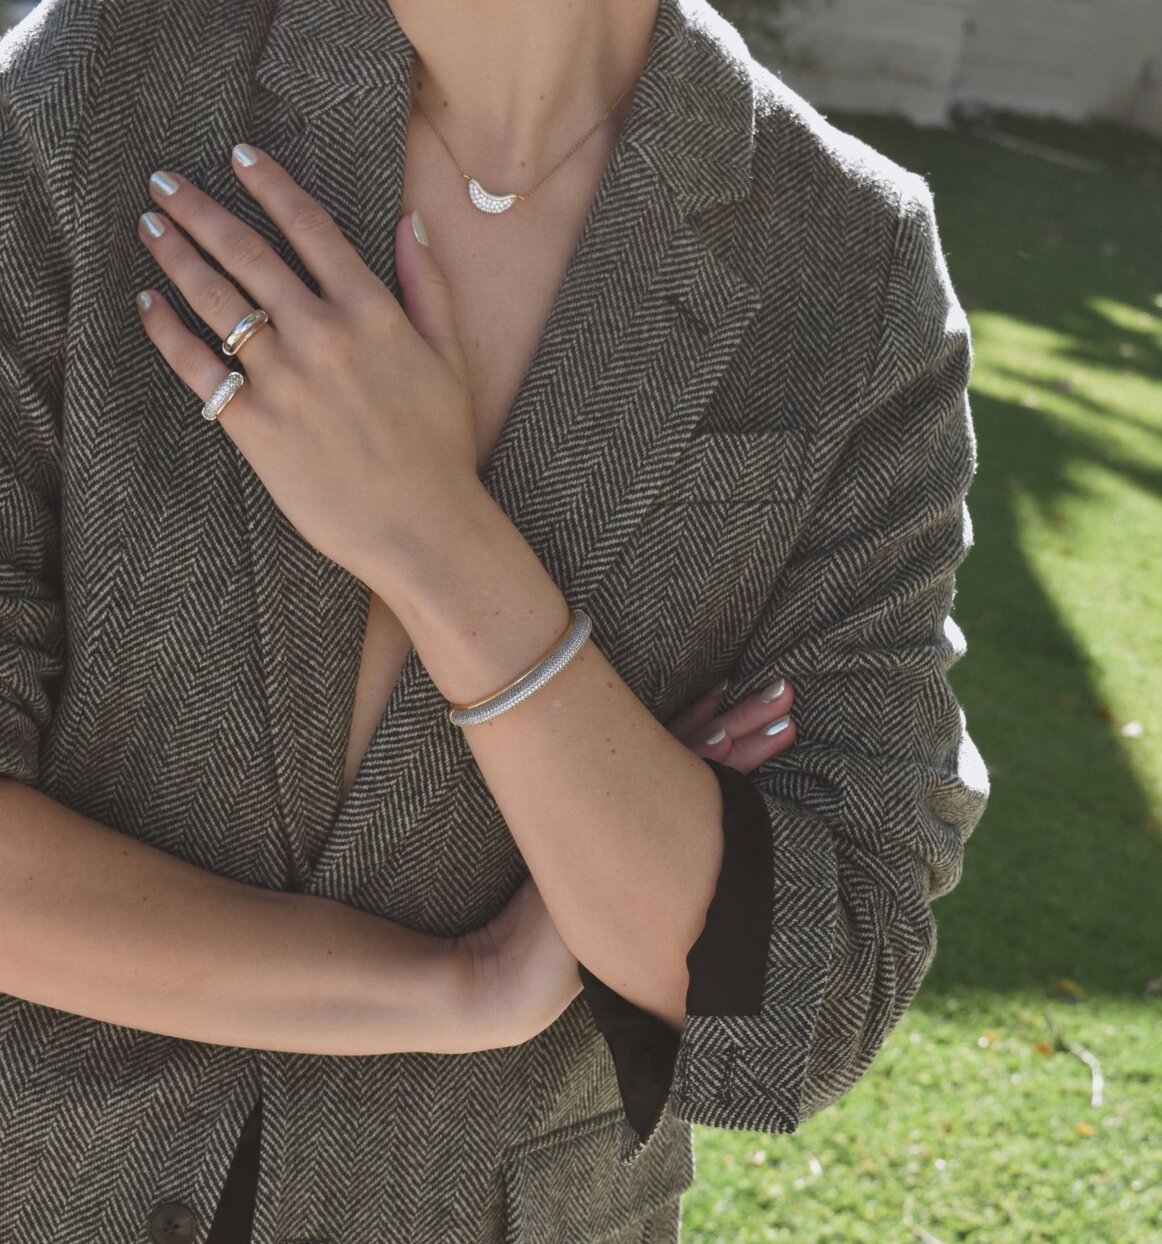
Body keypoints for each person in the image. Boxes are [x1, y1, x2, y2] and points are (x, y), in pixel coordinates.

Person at [0, 0, 991, 1238]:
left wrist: (438, 536)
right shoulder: (105, 83)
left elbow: (804, 997)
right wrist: (447, 992)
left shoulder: (855, 270)